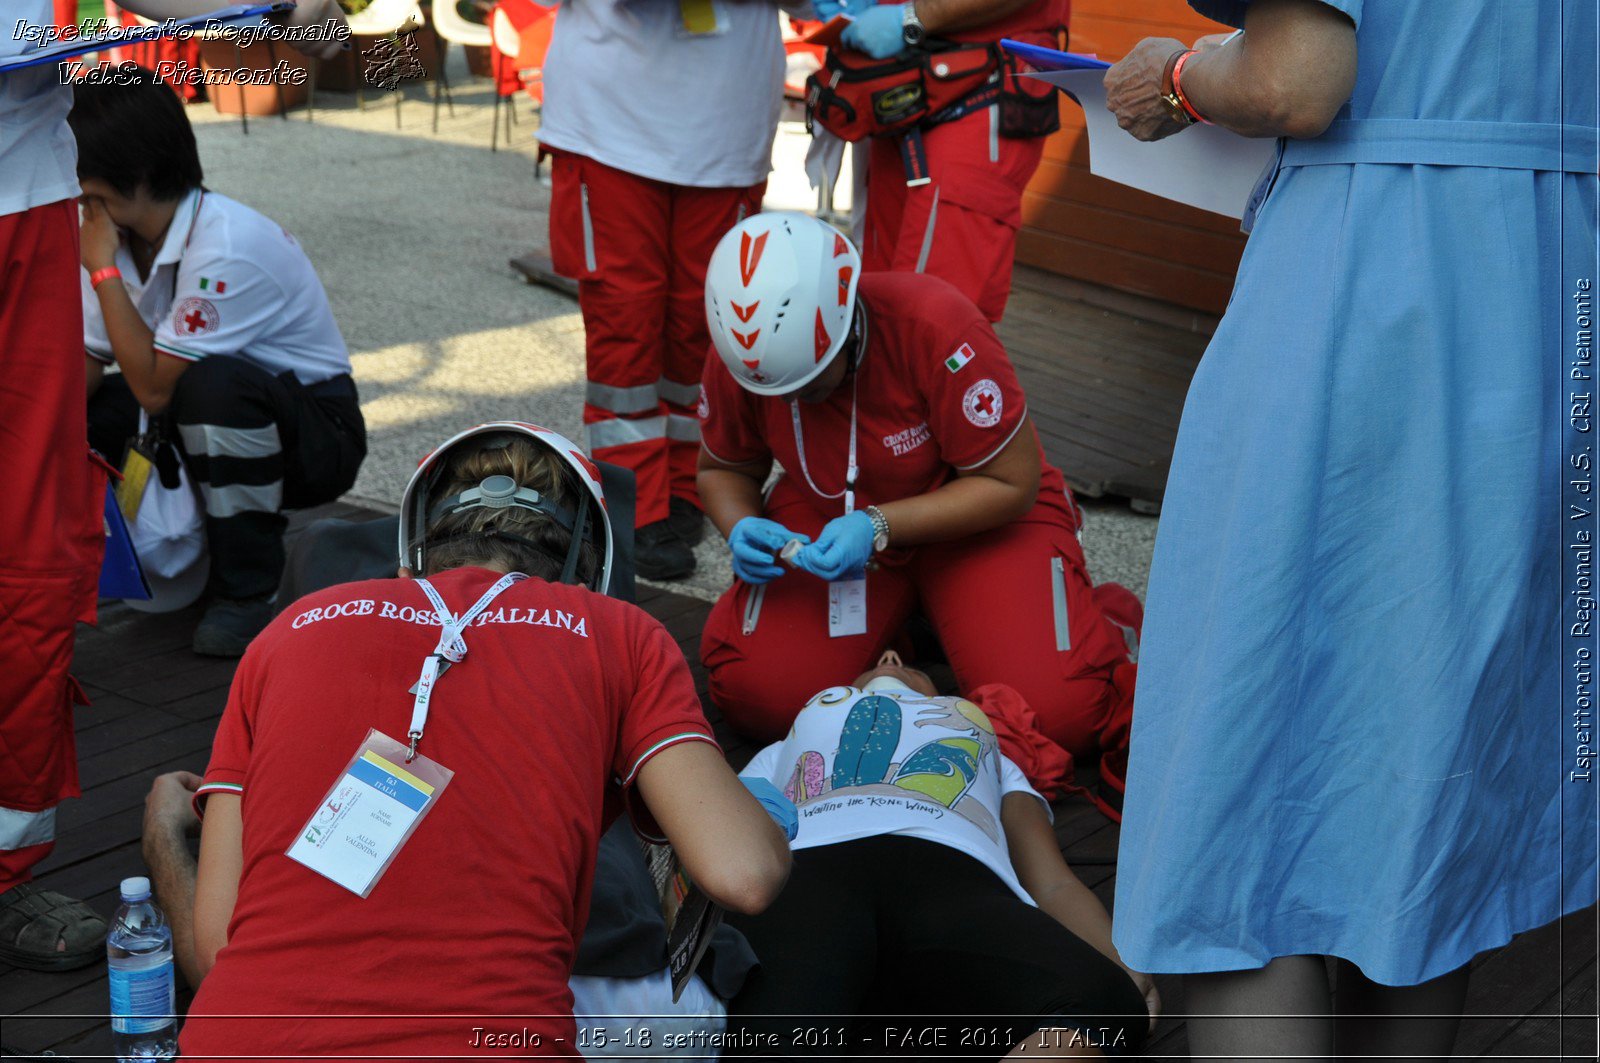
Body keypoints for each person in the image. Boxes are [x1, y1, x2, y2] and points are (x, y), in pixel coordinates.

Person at [1099, 2, 1600, 1061]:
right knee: (1429, 774)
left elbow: (1296, 78)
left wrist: (1181, 76)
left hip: (1373, 285)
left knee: (1236, 801)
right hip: (1557, 284)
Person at [173, 421, 791, 1058]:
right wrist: (753, 810)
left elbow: (219, 948)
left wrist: (165, 839)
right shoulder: (617, 632)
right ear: (590, 569)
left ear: (414, 547)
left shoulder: (290, 627)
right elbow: (746, 873)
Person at [0, 0, 344, 974]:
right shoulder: (113, 237)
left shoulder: (209, 238)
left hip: (21, 195)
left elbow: (142, 383)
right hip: (37, 211)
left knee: (32, 549)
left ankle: (4, 872)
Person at [697, 211, 1141, 777]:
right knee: (759, 699)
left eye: (813, 380)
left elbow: (1011, 483)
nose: (799, 398)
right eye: (787, 389)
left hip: (977, 523)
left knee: (1060, 717)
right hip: (833, 513)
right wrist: (738, 526)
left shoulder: (934, 322)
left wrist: (878, 525)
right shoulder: (751, 353)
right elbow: (722, 468)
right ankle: (905, 630)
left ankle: (1099, 614)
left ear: (846, 322)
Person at [725, 650, 1155, 1058]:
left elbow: (1052, 880)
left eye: (909, 663)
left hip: (955, 883)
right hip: (808, 875)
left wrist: (1123, 969)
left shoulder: (998, 759)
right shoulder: (780, 751)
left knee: (1108, 1007)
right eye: (878, 661)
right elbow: (720, 838)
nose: (889, 659)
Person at [75, 70, 367, 657]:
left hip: (315, 436)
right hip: (202, 412)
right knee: (90, 410)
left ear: (132, 176)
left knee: (210, 387)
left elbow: (157, 390)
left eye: (77, 168)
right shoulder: (112, 233)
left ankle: (247, 592)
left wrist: (101, 272)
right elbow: (83, 366)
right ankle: (149, 556)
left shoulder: (227, 244)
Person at [537, 0, 804, 580]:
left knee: (709, 327)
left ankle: (692, 480)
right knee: (624, 328)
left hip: (728, 136)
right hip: (608, 127)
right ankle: (632, 499)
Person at [818, 0, 1067, 323]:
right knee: (879, 296)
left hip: (982, 85)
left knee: (932, 312)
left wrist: (911, 17)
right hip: (901, 84)